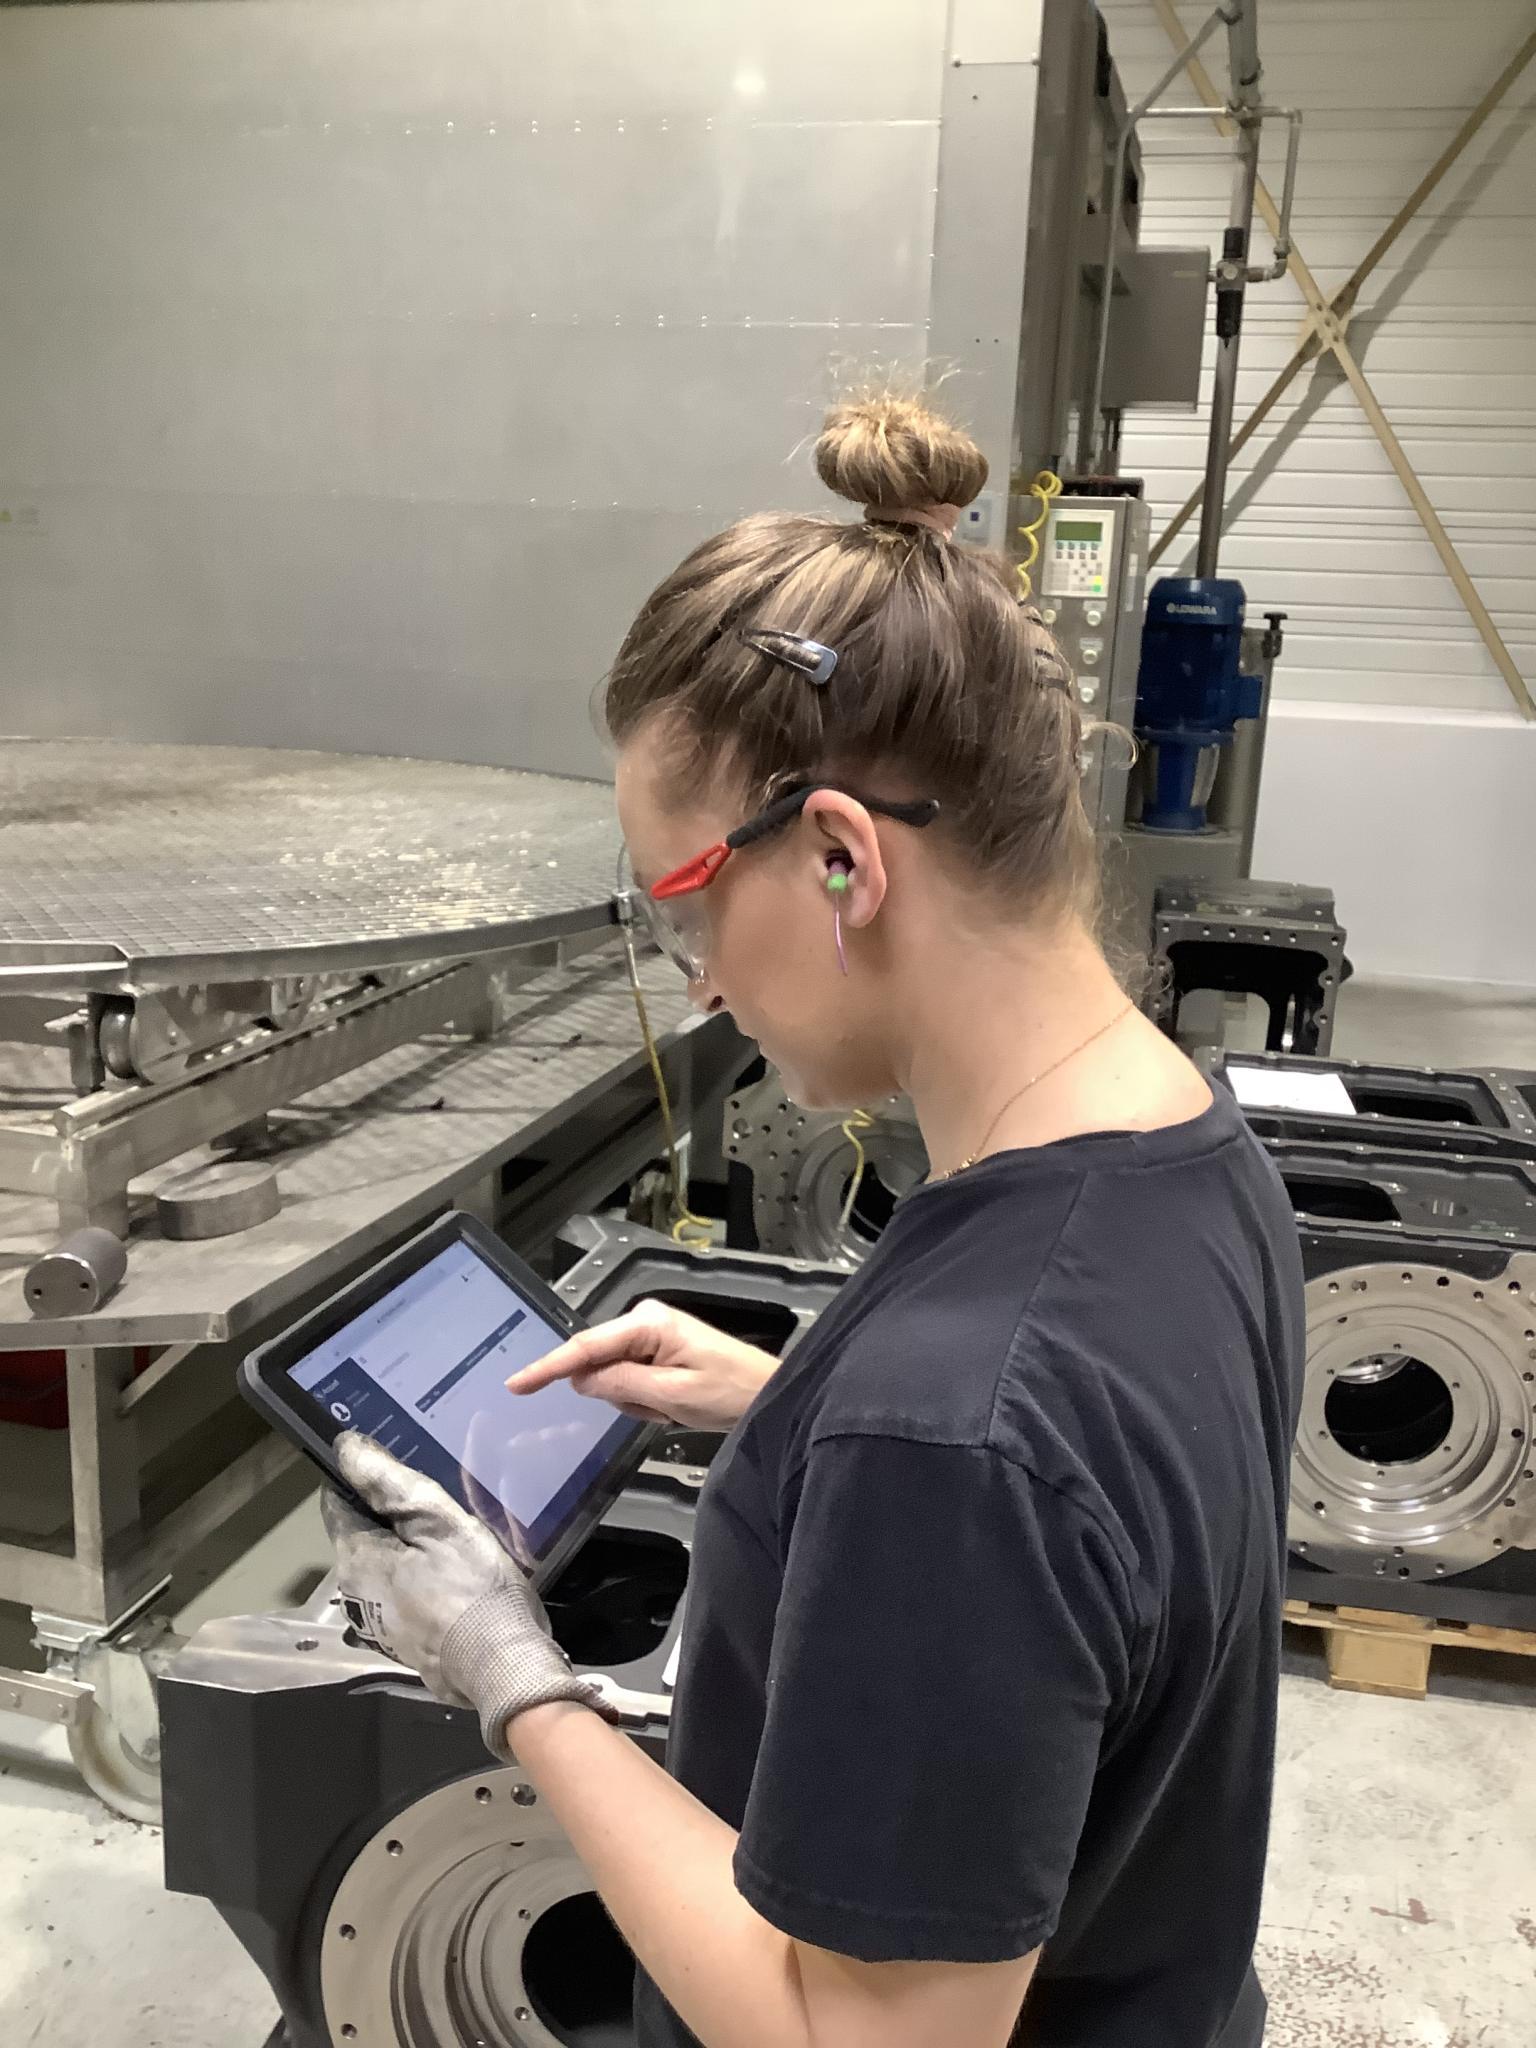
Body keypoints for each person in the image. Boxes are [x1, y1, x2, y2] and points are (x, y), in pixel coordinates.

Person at [325, 392, 1305, 2048]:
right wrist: (796, 1415)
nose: (700, 985)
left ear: (841, 858)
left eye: (684, 908)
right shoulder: (1192, 1155)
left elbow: (861, 2037)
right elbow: (1101, 1530)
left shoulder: (957, 1435)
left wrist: (514, 1680)